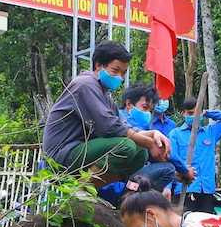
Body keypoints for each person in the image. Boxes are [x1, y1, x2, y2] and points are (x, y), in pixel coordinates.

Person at [41, 42, 167, 182]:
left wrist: (154, 134)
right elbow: (110, 127)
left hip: (80, 151)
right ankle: (80, 188)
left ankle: (91, 188)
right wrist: (150, 144)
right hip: (62, 155)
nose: (120, 77)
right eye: (115, 70)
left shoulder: (104, 94)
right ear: (98, 65)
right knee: (126, 146)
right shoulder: (85, 84)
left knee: (140, 154)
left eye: (123, 73)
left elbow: (124, 126)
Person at [169, 99, 221, 213]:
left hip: (207, 190)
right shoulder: (175, 134)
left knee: (205, 226)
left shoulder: (210, 132)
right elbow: (172, 159)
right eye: (191, 113)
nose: (195, 116)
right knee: (184, 226)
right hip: (185, 189)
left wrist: (206, 112)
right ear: (183, 113)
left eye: (197, 113)